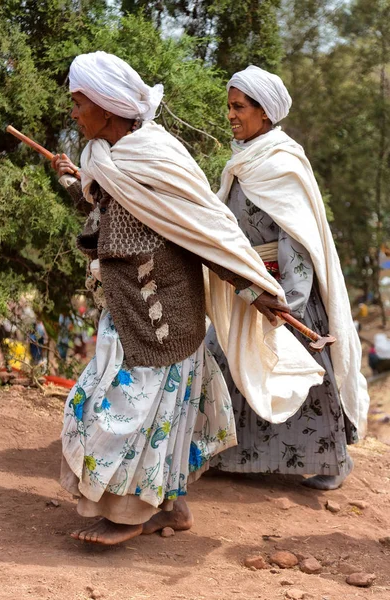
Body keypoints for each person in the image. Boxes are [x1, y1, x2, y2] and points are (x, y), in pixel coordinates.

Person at [51, 52, 323, 546]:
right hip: (127, 309)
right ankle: (169, 509)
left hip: (163, 316)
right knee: (160, 414)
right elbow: (104, 207)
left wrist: (256, 292)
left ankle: (129, 513)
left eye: (78, 102)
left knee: (126, 412)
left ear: (107, 106)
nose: (73, 113)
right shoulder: (103, 157)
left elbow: (206, 233)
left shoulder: (155, 157)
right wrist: (72, 177)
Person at [206, 65, 369, 490]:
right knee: (224, 362)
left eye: (239, 107)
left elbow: (296, 238)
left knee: (301, 371)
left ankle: (332, 463)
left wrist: (287, 304)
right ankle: (229, 460)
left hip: (284, 294)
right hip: (248, 289)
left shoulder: (280, 164)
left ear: (265, 112)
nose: (231, 115)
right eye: (230, 106)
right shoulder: (243, 161)